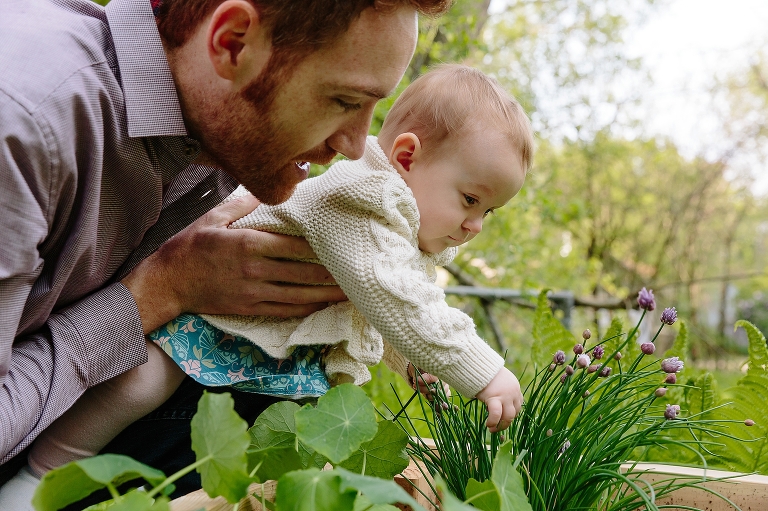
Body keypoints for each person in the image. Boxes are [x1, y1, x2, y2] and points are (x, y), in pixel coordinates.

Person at [15, 64, 532, 502]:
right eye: (469, 199)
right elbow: (395, 294)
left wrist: (416, 363)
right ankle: (41, 476)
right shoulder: (365, 194)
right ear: (406, 157)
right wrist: (482, 372)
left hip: (270, 354)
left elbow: (389, 310)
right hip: (208, 317)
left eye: (488, 210)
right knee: (138, 384)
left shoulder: (405, 233)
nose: (475, 225)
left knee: (277, 458)